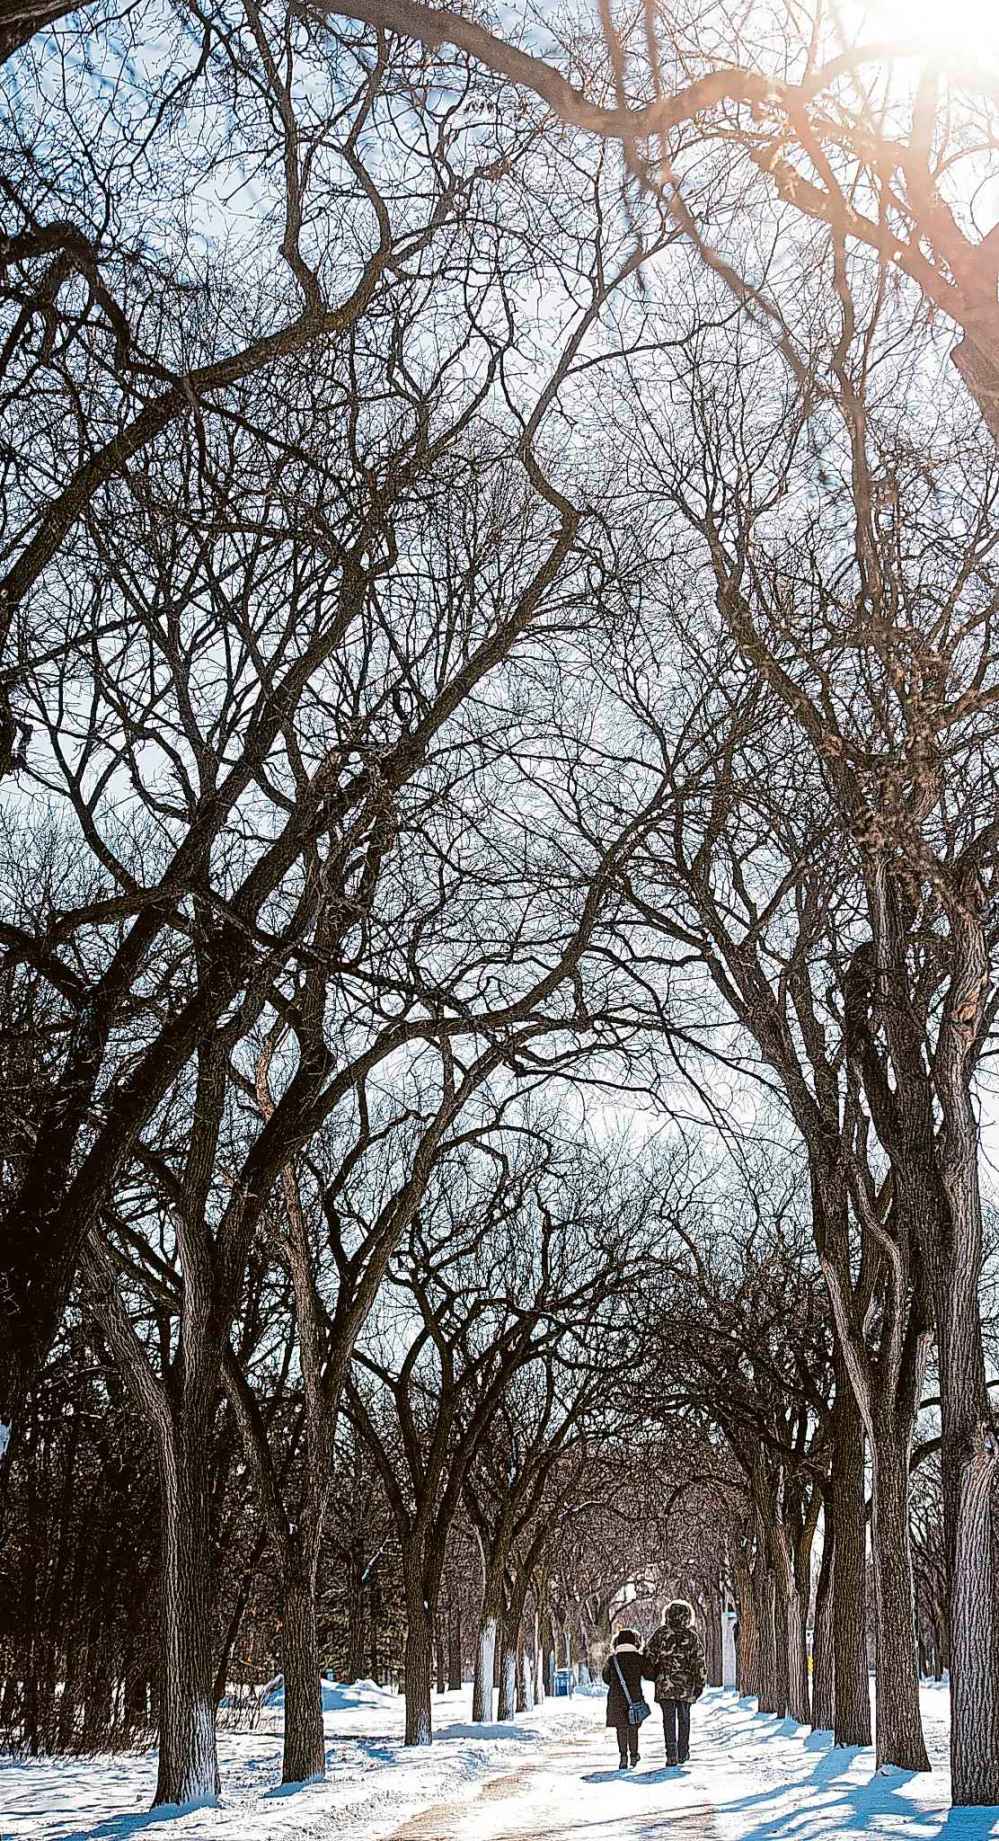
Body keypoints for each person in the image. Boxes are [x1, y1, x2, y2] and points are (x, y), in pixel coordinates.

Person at [645, 1599, 706, 1766]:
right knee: (684, 1718)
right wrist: (700, 1682)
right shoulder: (691, 1636)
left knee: (668, 1718)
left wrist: (653, 1674)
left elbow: (648, 1656)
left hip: (665, 1684)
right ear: (687, 1616)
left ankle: (671, 1753)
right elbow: (698, 1661)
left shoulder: (660, 1634)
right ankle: (683, 1751)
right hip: (685, 1686)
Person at [601, 1626, 650, 1770]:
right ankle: (634, 1755)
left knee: (621, 1728)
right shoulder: (639, 1659)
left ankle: (623, 1756)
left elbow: (605, 1678)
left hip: (616, 1699)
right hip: (633, 1698)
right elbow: (649, 1674)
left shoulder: (612, 1660)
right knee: (633, 1727)